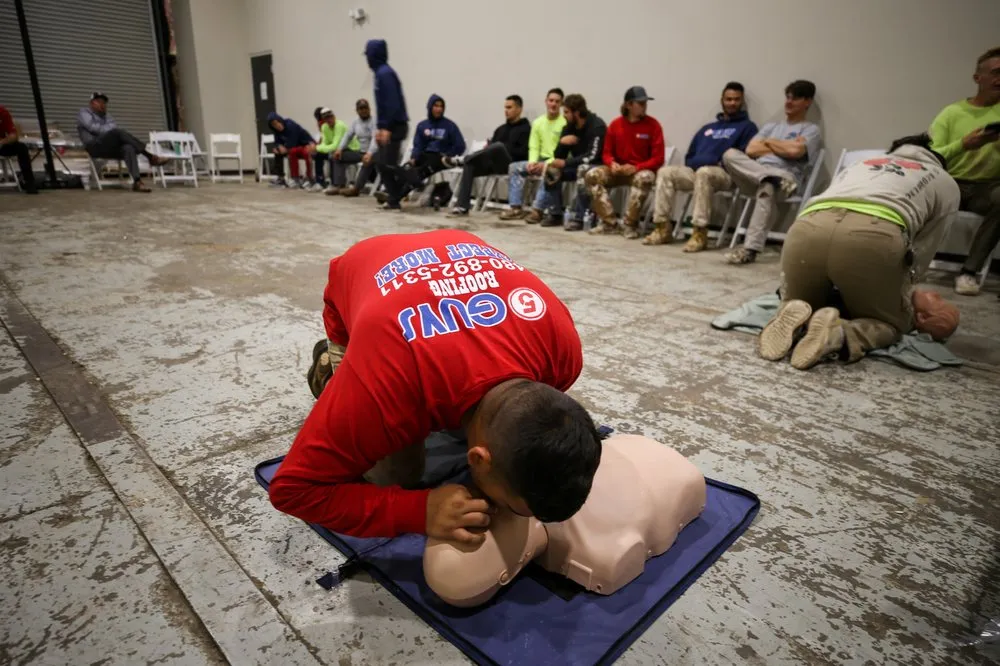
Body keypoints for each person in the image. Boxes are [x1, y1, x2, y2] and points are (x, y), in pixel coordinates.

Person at [270, 230, 603, 545]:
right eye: (515, 508)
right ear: (478, 458)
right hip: (361, 272)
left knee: (499, 439)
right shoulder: (384, 386)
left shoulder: (563, 352)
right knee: (397, 476)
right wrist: (419, 510)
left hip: (450, 249)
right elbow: (293, 489)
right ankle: (326, 371)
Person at [758, 134, 960, 370]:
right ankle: (840, 333)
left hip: (806, 228)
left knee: (800, 301)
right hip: (874, 235)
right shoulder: (944, 181)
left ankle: (793, 311)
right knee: (891, 323)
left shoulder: (861, 165)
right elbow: (922, 251)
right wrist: (899, 293)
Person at [721, 80, 822, 264]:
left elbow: (795, 152)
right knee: (729, 154)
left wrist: (768, 143)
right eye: (788, 97)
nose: (789, 102)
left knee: (767, 186)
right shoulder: (771, 127)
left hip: (786, 178)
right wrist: (785, 146)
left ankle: (749, 249)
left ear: (807, 102)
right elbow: (751, 150)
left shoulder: (811, 130)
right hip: (757, 173)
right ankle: (768, 177)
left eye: (796, 98)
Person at [645, 82, 758, 248]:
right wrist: (704, 162)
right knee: (666, 172)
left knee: (704, 172)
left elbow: (743, 158)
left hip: (726, 175)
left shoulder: (747, 127)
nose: (732, 103)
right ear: (722, 100)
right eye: (728, 99)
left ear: (741, 102)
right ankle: (662, 228)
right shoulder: (707, 129)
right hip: (697, 171)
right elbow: (689, 157)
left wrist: (713, 163)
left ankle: (699, 232)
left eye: (736, 99)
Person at [929, 46, 1000, 296]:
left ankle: (969, 272)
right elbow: (933, 155)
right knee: (916, 192)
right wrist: (965, 145)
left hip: (988, 186)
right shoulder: (952, 113)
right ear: (978, 78)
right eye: (996, 72)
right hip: (951, 182)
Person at [586, 87, 665, 238]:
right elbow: (607, 153)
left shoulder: (653, 125)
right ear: (628, 105)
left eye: (645, 103)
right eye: (640, 103)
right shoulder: (616, 125)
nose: (644, 106)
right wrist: (612, 164)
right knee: (592, 175)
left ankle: (630, 224)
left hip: (639, 171)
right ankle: (609, 223)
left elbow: (658, 158)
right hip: (618, 170)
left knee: (644, 178)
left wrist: (637, 167)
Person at [445, 95, 530, 217]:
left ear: (519, 109)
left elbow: (524, 153)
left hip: (511, 164)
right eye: (505, 107)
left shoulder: (526, 129)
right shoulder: (500, 129)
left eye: (509, 107)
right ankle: (462, 206)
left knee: (499, 146)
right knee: (470, 165)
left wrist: (502, 149)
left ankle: (462, 159)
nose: (506, 110)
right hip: (494, 164)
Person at [377, 95, 465, 208]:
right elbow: (418, 145)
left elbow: (460, 146)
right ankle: (394, 193)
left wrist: (448, 155)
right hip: (424, 156)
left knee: (420, 172)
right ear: (429, 107)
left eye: (441, 106)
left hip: (441, 158)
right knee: (408, 168)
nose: (439, 109)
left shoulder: (449, 126)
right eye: (436, 106)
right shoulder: (423, 125)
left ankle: (392, 198)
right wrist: (413, 158)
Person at [76, 92, 170, 193]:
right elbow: (93, 128)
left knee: (128, 147)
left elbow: (110, 128)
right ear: (91, 103)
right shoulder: (84, 112)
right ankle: (150, 156)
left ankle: (137, 182)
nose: (102, 105)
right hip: (93, 147)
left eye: (104, 102)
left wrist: (107, 131)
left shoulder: (108, 116)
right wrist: (108, 130)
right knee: (118, 132)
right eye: (99, 102)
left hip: (108, 148)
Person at [539, 94, 607, 230]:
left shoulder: (597, 126)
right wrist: (562, 142)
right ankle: (554, 213)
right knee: (552, 169)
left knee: (582, 169)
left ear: (576, 113)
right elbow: (558, 156)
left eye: (566, 112)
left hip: (596, 166)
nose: (563, 115)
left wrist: (567, 163)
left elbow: (593, 155)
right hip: (575, 165)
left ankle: (579, 217)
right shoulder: (569, 126)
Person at [499, 88, 566, 222]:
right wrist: (532, 162)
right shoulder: (538, 122)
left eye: (557, 102)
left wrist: (546, 163)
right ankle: (516, 208)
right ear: (546, 102)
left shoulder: (565, 123)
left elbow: (564, 151)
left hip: (556, 161)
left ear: (561, 104)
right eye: (551, 100)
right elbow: (534, 146)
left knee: (549, 170)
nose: (553, 104)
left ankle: (537, 210)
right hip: (539, 159)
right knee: (514, 167)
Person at [366, 39, 410, 211]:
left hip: (396, 125)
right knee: (383, 163)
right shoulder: (380, 73)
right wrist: (380, 127)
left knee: (387, 164)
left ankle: (406, 185)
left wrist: (386, 128)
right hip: (390, 125)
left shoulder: (385, 74)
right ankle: (394, 196)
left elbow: (392, 103)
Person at [327, 99, 376, 197]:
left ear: (369, 109)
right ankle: (339, 185)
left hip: (373, 153)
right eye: (361, 109)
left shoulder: (374, 122)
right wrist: (340, 149)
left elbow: (375, 139)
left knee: (367, 161)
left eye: (365, 108)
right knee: (336, 156)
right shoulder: (355, 122)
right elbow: (348, 136)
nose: (364, 110)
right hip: (360, 152)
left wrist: (369, 153)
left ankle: (356, 189)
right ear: (357, 111)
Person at [266, 111, 316, 189]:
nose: (277, 126)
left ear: (280, 120)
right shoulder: (276, 131)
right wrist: (278, 147)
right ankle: (281, 178)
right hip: (294, 148)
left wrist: (284, 149)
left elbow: (292, 142)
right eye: (274, 125)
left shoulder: (290, 125)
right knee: (277, 153)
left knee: (293, 151)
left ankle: (309, 178)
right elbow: (277, 142)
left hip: (304, 145)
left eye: (277, 123)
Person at [312, 107, 355, 192]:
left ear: (334, 116)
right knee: (318, 154)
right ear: (324, 120)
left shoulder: (339, 125)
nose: (329, 119)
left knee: (333, 154)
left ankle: (336, 183)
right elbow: (325, 143)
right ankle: (320, 182)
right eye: (326, 118)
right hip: (339, 150)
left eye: (330, 117)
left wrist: (316, 147)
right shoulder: (324, 127)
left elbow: (335, 145)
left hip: (351, 149)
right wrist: (317, 149)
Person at [0, 105, 38, 194]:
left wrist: (2, 142)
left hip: (1, 145)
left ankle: (29, 182)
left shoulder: (2, 112)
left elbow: (13, 135)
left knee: (22, 148)